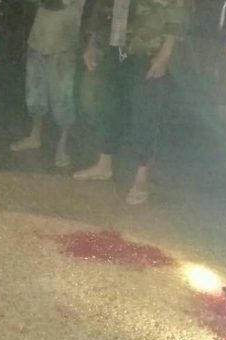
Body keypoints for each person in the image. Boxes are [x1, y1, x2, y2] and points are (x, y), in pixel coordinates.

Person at [73, 0, 189, 205]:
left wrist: (166, 52)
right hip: (117, 42)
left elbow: (179, 6)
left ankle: (141, 177)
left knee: (145, 111)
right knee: (108, 103)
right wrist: (92, 42)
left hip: (148, 46)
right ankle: (104, 164)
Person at [10, 0, 87, 168]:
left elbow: (58, 3)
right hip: (38, 40)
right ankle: (35, 135)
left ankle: (62, 145)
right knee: (34, 94)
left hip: (63, 46)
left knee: (62, 100)